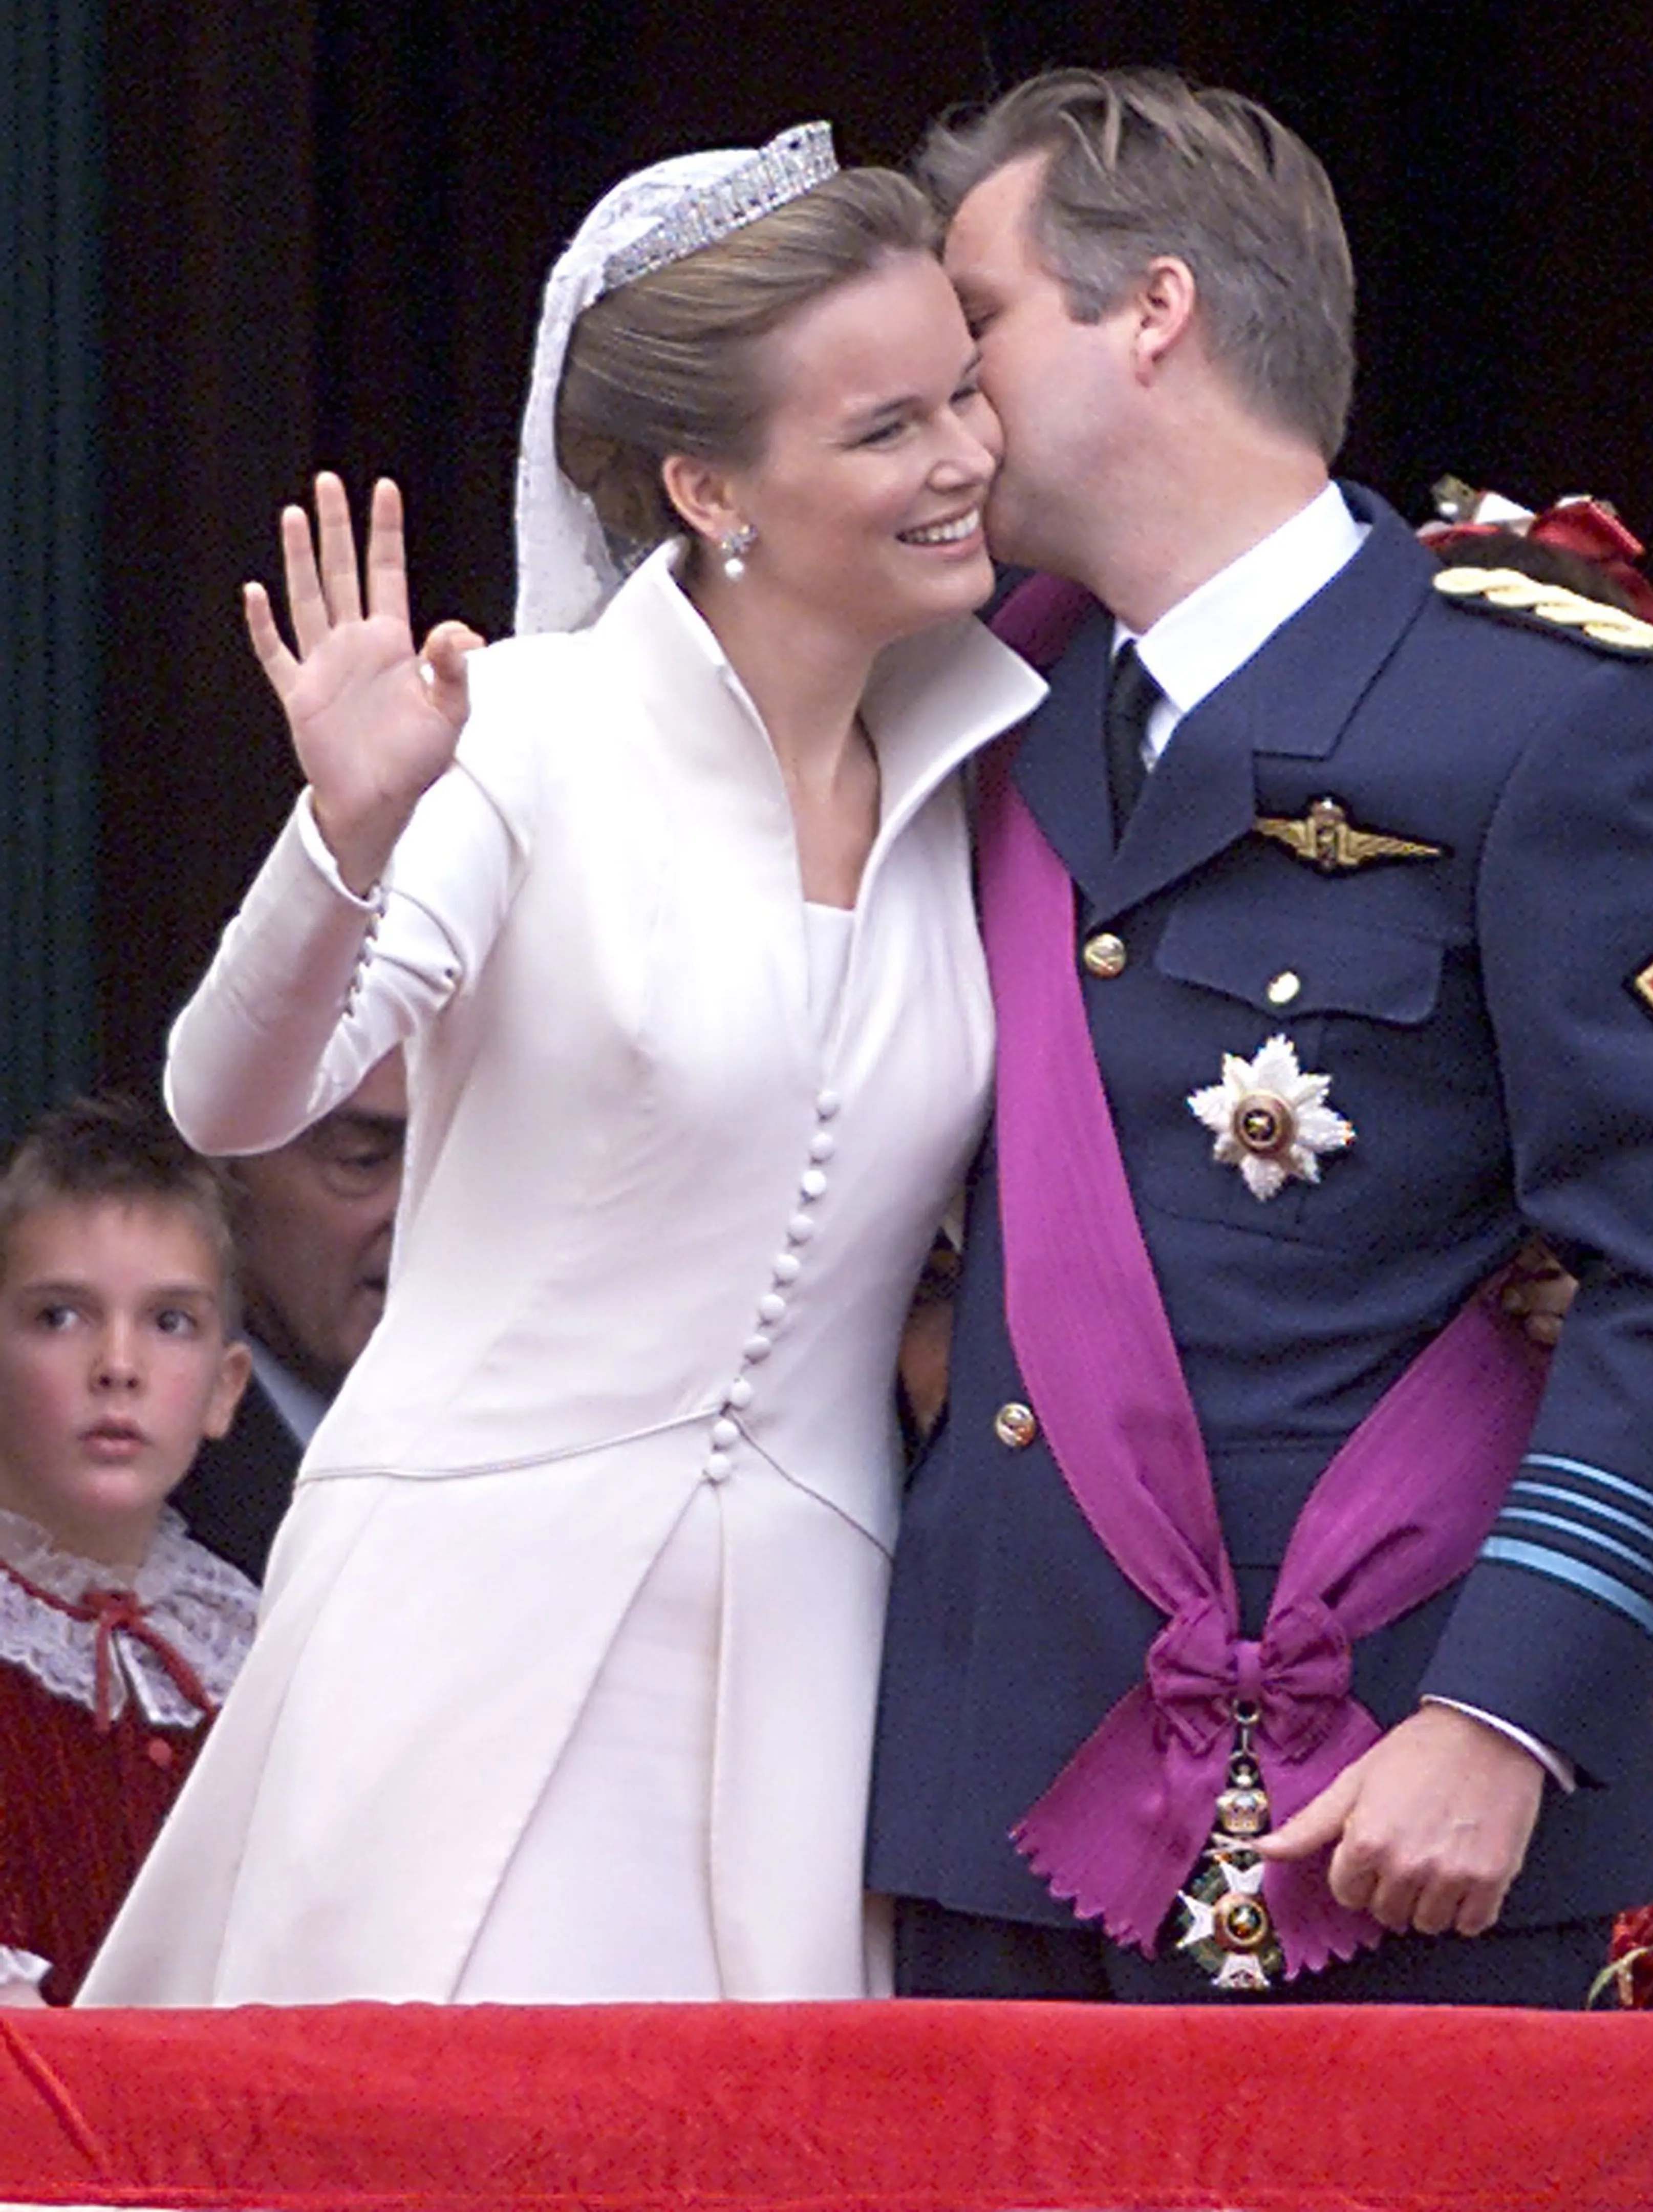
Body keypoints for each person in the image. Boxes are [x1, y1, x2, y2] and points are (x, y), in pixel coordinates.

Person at [866, 69, 1653, 2006]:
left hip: (1389, 1798)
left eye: (976, 331)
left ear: (1155, 312)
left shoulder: (1541, 715)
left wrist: (1510, 1712)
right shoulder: (961, 707)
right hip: (994, 1776)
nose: (944, 408)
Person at [81, 123, 1042, 2007]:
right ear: (709, 485)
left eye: (964, 395)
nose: (964, 460)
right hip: (466, 1642)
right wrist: (346, 835)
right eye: (884, 430)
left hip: (805, 1681)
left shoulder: (982, 778)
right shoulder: (523, 734)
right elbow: (232, 1099)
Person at [0, 1096, 255, 2006]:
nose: (118, 1362)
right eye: (61, 1316)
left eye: (170, 1321)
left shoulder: (254, 1648)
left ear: (225, 1390)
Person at [173, 1051, 406, 1580]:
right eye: (364, 1158)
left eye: (452, 1164)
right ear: (228, 1166)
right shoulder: (139, 1490)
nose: (418, 1208)